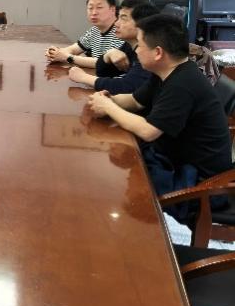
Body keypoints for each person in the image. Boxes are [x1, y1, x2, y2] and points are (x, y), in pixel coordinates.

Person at [87, 14, 232, 204]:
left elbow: (148, 131)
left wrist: (108, 107)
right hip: (173, 160)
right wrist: (108, 99)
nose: (136, 51)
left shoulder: (182, 84)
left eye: (140, 45)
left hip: (200, 184)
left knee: (115, 192)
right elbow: (135, 101)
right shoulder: (164, 72)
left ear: (157, 53)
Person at [68, 0, 158, 94]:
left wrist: (83, 77)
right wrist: (108, 55)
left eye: (123, 18)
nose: (116, 24)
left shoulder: (149, 52)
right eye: (118, 18)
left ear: (143, 23)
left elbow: (128, 87)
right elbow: (104, 72)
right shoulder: (129, 45)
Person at [45, 0, 124, 68]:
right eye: (90, 8)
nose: (94, 13)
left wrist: (68, 57)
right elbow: (74, 49)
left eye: (99, 7)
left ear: (113, 9)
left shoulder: (121, 31)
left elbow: (103, 63)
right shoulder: (94, 30)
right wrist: (55, 53)